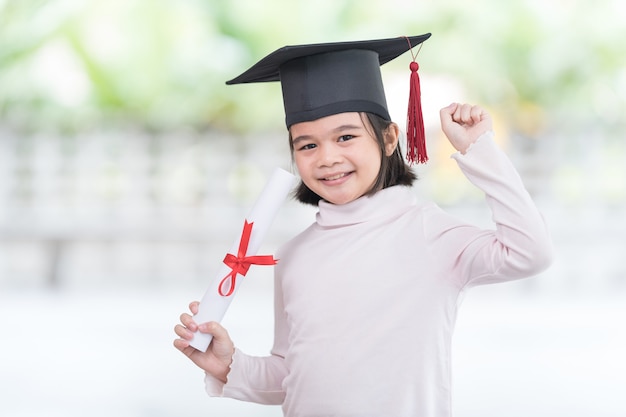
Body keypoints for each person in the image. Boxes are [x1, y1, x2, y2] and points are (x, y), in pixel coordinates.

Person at [173, 34, 553, 417]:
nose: (327, 158)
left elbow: (530, 253)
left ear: (389, 138)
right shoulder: (293, 256)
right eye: (307, 145)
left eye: (346, 137)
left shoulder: (428, 234)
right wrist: (229, 364)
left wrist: (479, 150)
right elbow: (293, 374)